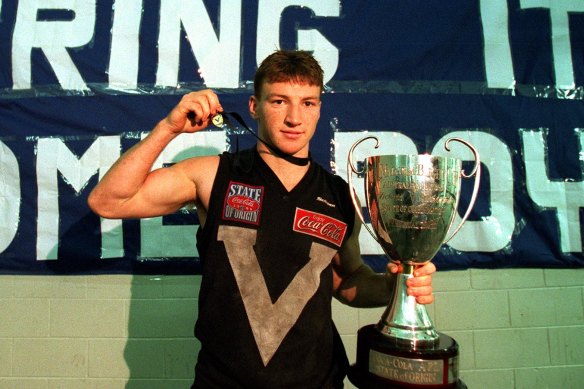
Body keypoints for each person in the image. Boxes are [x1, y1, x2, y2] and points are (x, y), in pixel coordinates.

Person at [88, 50, 436, 388]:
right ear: (254, 107)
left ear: (319, 110)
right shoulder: (213, 175)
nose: (294, 118)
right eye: (279, 101)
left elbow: (346, 280)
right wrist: (168, 128)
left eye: (308, 103)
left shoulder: (340, 194)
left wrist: (398, 287)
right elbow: (108, 201)